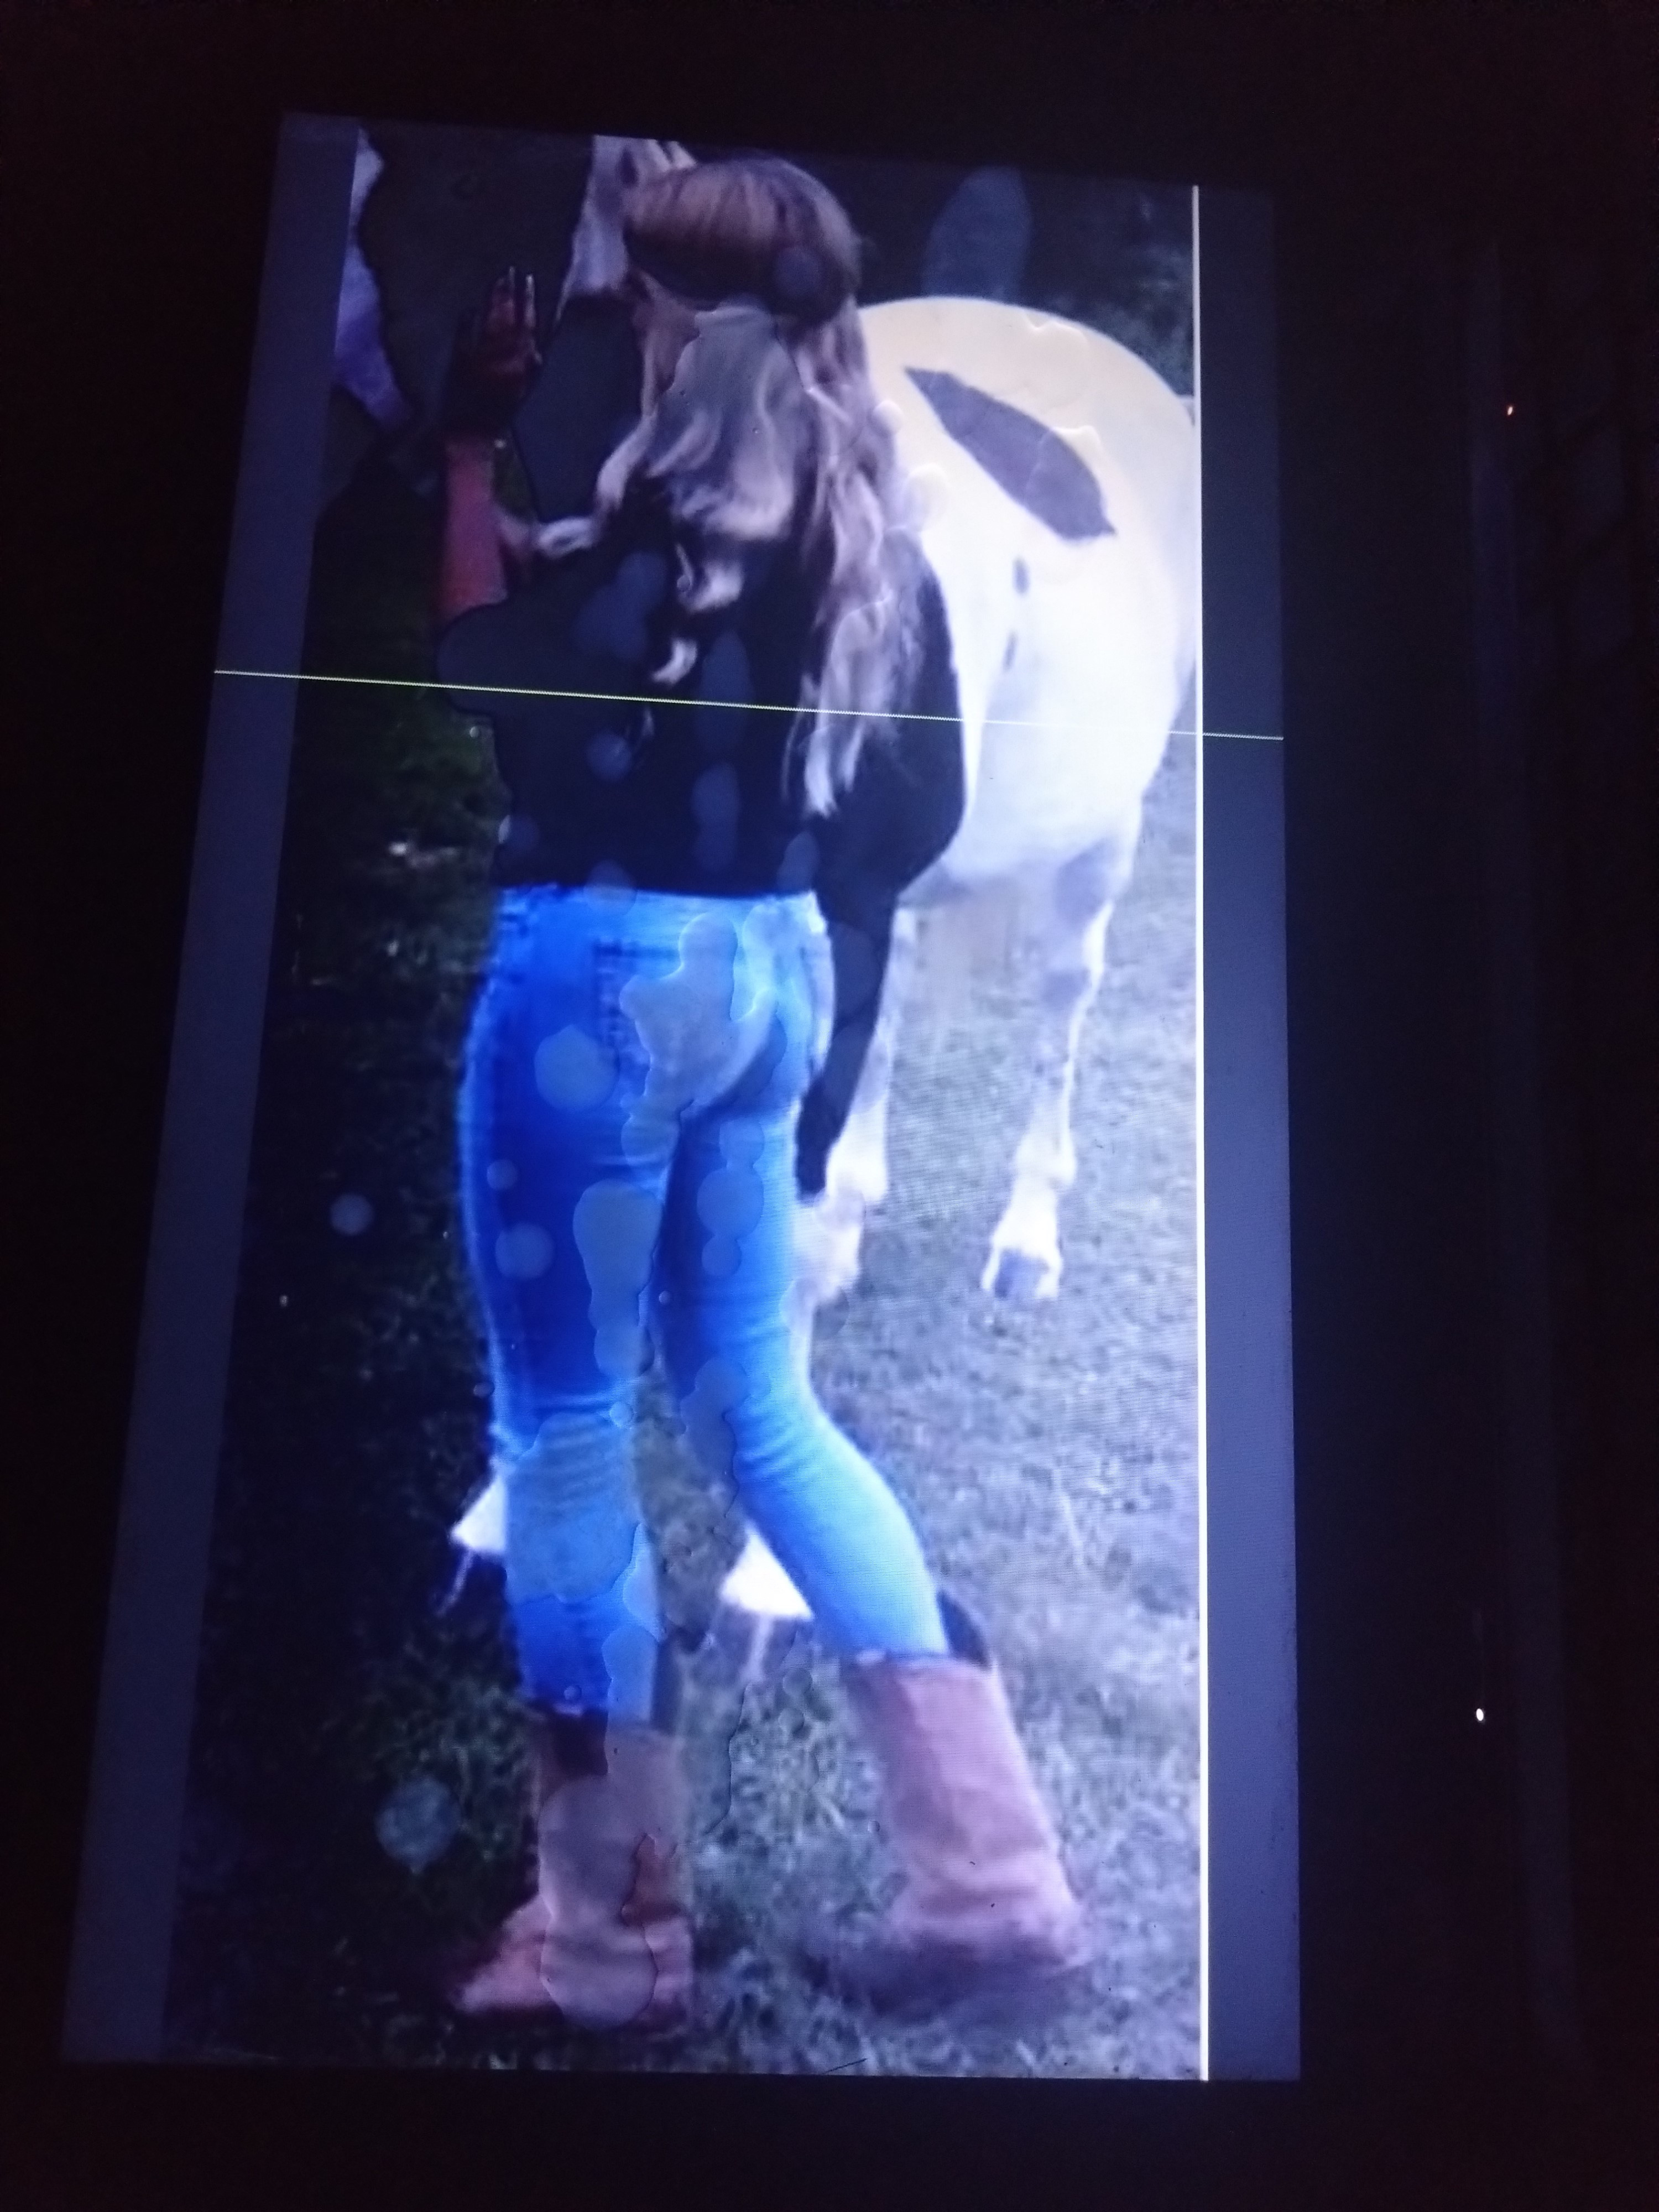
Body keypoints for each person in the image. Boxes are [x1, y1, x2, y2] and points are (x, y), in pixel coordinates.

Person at [434, 154, 1088, 2029]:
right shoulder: (863, 533)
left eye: (639, 302)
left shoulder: (655, 534)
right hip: (774, 973)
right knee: (762, 1408)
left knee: (568, 1431)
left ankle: (607, 1941)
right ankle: (997, 1891)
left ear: (673, 322)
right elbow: (915, 807)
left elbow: (486, 680)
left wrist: (469, 461)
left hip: (600, 984)